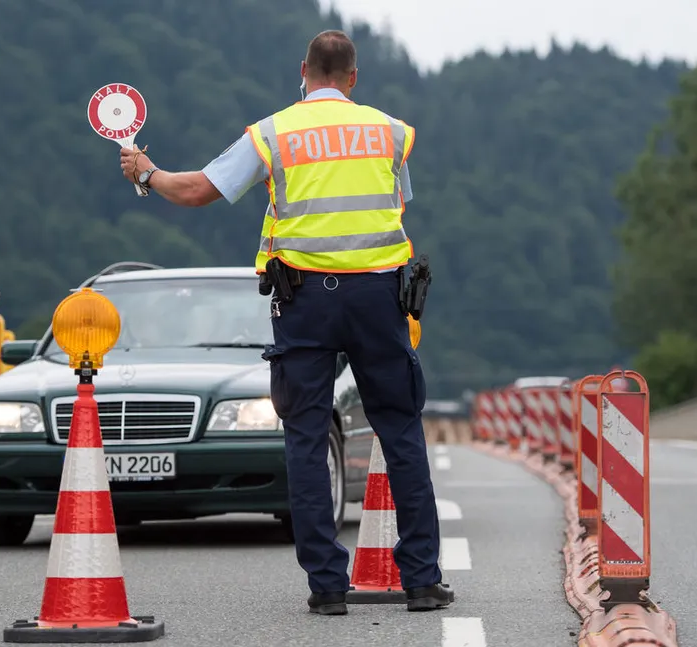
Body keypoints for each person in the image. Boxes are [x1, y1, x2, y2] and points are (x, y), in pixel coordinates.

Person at [119, 29, 453, 616]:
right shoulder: (391, 133)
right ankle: (422, 580)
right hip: (379, 297)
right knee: (400, 429)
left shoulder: (273, 133)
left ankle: (327, 586)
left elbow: (198, 189)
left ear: (304, 71)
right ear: (354, 77)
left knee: (304, 435)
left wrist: (147, 172)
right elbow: (398, 206)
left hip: (304, 301)